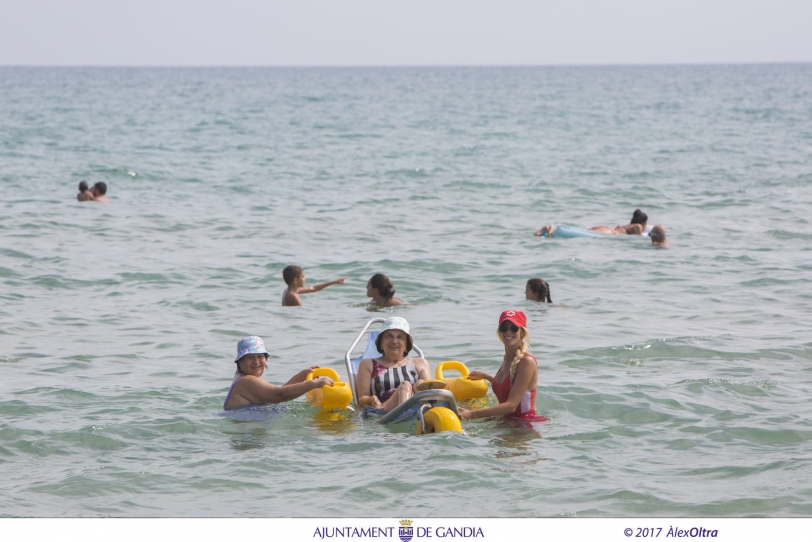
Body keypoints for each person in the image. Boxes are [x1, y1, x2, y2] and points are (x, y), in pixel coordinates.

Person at [458, 310, 545, 422]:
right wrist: (487, 376)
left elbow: (511, 406)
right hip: (506, 421)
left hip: (524, 426)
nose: (508, 332)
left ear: (522, 333)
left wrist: (471, 414)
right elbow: (510, 387)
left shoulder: (526, 362)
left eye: (514, 328)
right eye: (504, 328)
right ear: (500, 332)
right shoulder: (507, 359)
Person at [224, 336, 334, 409]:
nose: (256, 362)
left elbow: (274, 397)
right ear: (240, 362)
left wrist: (300, 377)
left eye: (260, 356)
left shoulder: (242, 379)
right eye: (250, 357)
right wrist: (314, 384)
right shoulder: (246, 381)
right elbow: (278, 395)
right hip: (248, 440)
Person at [355, 316, 431, 411]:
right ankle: (405, 415)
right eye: (389, 336)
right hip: (385, 411)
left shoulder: (420, 363)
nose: (394, 341)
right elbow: (361, 399)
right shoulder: (368, 364)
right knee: (405, 386)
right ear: (381, 343)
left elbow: (430, 394)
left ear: (406, 345)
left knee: (421, 384)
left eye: (400, 337)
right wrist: (370, 400)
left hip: (418, 409)